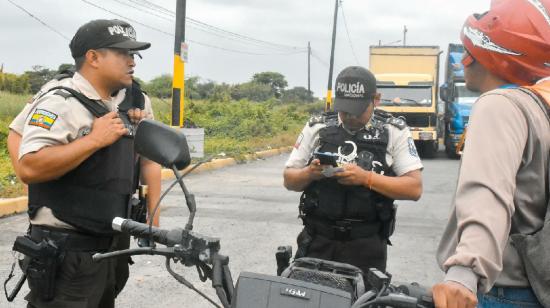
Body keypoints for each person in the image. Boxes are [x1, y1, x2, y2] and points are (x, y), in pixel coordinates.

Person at [9, 19, 161, 307]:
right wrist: (93, 140)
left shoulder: (137, 100)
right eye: (123, 54)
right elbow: (26, 157)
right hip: (67, 247)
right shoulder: (60, 100)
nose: (132, 61)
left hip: (112, 243)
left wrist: (153, 221)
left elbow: (149, 161)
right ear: (93, 57)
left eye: (134, 55)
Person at [432, 1, 550, 307]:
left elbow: (489, 193)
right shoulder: (540, 107)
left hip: (505, 293)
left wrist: (465, 271)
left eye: (468, 53)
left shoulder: (499, 105)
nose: (462, 63)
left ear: (484, 55)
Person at [283, 66, 423, 279]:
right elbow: (289, 180)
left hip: (366, 247)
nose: (348, 116)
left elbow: (414, 188)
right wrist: (311, 173)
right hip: (317, 241)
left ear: (376, 99)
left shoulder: (394, 131)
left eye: (355, 110)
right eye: (343, 108)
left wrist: (366, 178)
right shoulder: (317, 127)